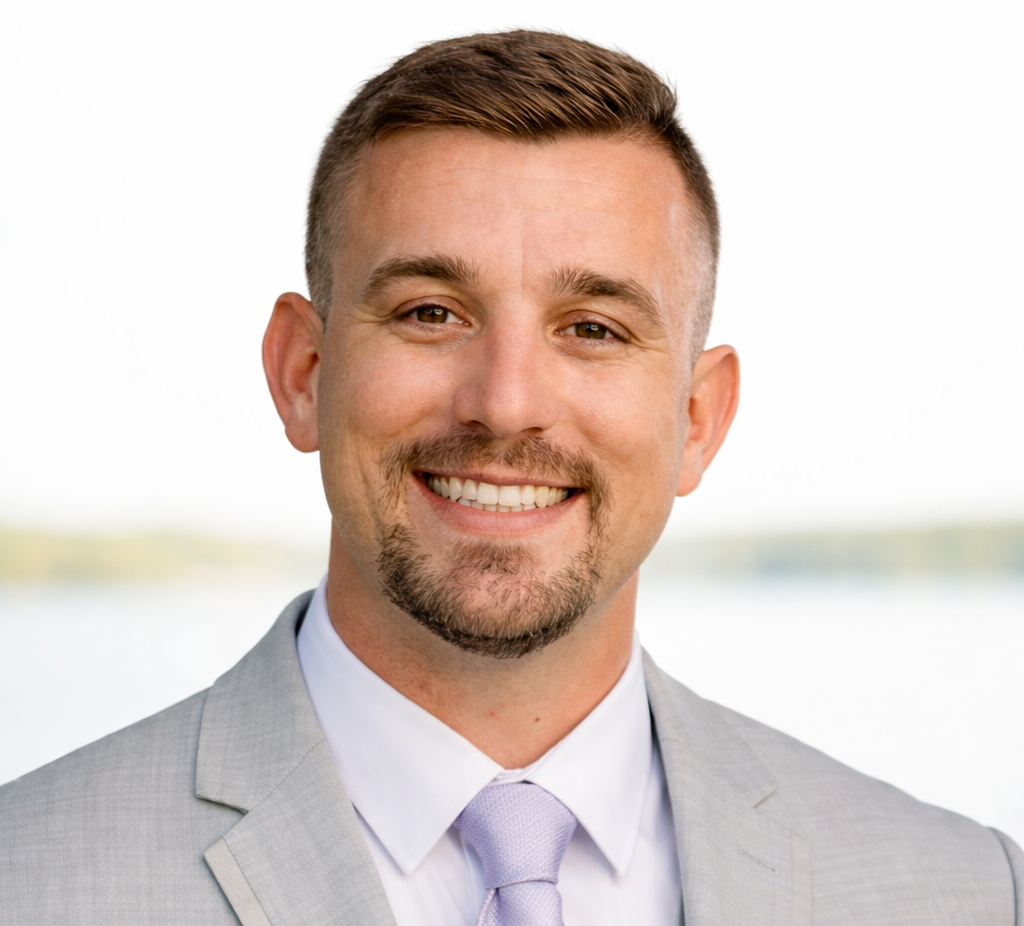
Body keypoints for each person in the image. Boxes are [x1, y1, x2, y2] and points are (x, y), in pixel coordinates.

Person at [1, 29, 1020, 926]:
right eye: (430, 311)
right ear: (302, 374)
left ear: (698, 419)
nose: (504, 401)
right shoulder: (28, 879)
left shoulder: (967, 891)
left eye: (593, 328)